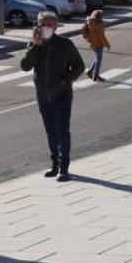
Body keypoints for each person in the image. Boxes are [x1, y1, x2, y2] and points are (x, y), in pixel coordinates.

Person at [19, 11, 85, 182]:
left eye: (49, 25)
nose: (45, 28)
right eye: (41, 24)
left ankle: (64, 168)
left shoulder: (65, 44)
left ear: (56, 26)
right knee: (50, 131)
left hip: (62, 94)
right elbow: (25, 66)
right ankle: (54, 164)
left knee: (62, 130)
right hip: (43, 95)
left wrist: (65, 81)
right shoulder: (34, 44)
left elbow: (79, 66)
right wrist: (36, 45)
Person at [80, 9, 110, 82]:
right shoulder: (98, 24)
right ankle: (96, 76)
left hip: (92, 43)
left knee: (97, 58)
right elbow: (101, 36)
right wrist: (107, 45)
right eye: (101, 16)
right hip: (98, 43)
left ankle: (90, 71)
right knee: (99, 59)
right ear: (99, 16)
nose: (102, 17)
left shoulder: (89, 22)